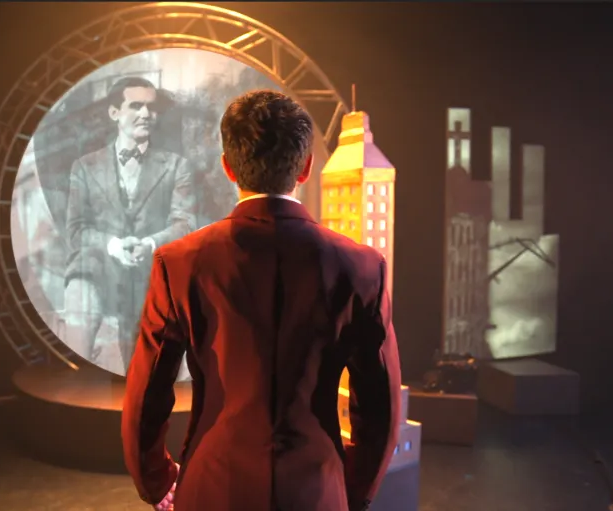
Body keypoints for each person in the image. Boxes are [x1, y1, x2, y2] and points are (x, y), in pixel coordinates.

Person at [122, 90, 401, 511]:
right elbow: (380, 407)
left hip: (213, 486)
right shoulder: (362, 267)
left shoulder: (179, 263)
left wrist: (156, 481)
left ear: (228, 167)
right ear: (306, 167)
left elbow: (147, 396)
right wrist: (353, 489)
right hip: (317, 490)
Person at [64, 76, 196, 374]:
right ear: (114, 113)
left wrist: (149, 244)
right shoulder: (84, 166)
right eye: (136, 106)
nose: (146, 114)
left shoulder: (176, 166)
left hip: (152, 271)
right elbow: (76, 230)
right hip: (99, 271)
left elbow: (185, 224)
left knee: (146, 370)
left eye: (151, 107)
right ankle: (76, 376)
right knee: (80, 286)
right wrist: (113, 246)